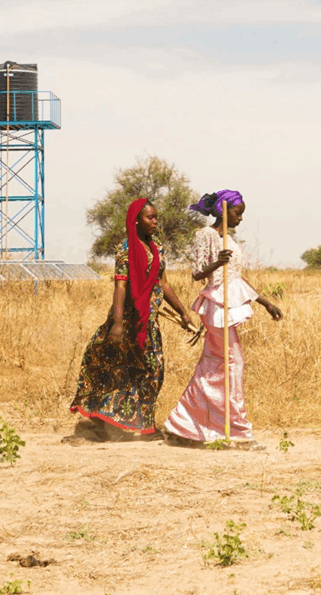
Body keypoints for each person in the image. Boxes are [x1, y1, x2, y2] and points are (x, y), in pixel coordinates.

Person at [163, 190, 283, 448]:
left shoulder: (228, 239)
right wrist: (216, 264)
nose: (240, 219)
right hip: (217, 307)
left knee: (213, 367)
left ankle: (182, 425)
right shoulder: (205, 235)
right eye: (237, 213)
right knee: (233, 365)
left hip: (231, 303)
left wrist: (264, 302)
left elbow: (236, 276)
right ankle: (238, 433)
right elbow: (197, 274)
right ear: (223, 211)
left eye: (241, 215)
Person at [70, 198, 196, 439]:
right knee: (114, 370)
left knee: (153, 372)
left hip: (149, 322)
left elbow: (162, 282)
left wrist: (181, 310)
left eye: (156, 217)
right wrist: (117, 325)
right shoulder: (125, 249)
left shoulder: (157, 247)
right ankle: (104, 421)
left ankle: (144, 425)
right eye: (150, 217)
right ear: (136, 220)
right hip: (128, 320)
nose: (155, 221)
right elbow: (120, 287)